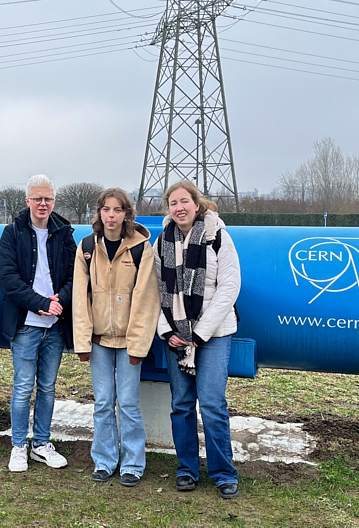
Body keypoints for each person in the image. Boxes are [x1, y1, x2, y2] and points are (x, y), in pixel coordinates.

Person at [154, 181, 242, 499]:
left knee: (213, 403)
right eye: (173, 203)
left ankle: (223, 472)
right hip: (176, 336)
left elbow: (229, 287)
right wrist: (167, 331)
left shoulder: (218, 235)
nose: (179, 208)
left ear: (196, 203)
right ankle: (187, 469)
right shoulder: (162, 240)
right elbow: (153, 291)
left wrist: (200, 332)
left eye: (184, 201)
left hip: (214, 334)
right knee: (181, 404)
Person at [72, 187, 159, 488]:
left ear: (126, 214)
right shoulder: (86, 246)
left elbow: (146, 299)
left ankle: (133, 463)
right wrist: (82, 341)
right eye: (106, 209)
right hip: (98, 341)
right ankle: (105, 460)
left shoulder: (140, 248)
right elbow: (80, 298)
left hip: (127, 342)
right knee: (103, 402)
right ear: (99, 213)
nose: (111, 215)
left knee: (129, 404)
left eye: (117, 210)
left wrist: (137, 344)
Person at [0, 174, 77, 472]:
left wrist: (60, 301)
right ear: (27, 200)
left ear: (54, 201)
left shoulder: (64, 232)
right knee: (22, 387)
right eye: (38, 198)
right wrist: (42, 303)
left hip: (55, 326)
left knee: (47, 387)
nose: (43, 204)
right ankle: (19, 445)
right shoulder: (12, 232)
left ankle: (41, 443)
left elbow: (74, 275)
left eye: (48, 199)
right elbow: (8, 280)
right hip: (25, 325)